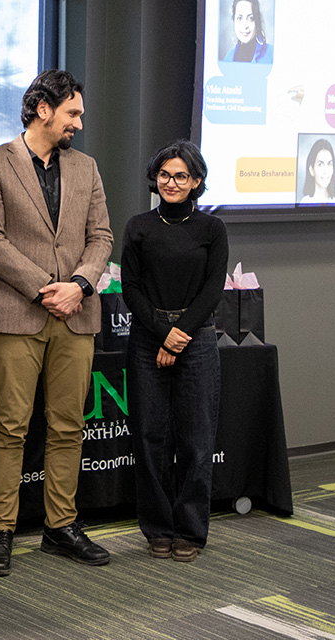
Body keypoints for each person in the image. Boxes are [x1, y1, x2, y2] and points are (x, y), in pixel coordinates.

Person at [0, 70, 113, 577]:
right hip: (17, 314)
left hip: (77, 312)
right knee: (10, 426)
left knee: (68, 426)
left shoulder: (87, 168)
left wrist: (80, 284)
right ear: (42, 109)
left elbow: (101, 237)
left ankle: (61, 527)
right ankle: (0, 531)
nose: (79, 123)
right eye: (72, 113)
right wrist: (45, 287)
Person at [121, 140, 228, 563]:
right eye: (164, 174)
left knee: (196, 441)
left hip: (197, 337)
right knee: (150, 439)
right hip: (148, 337)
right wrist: (164, 334)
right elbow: (130, 288)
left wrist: (179, 334)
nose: (171, 182)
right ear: (155, 178)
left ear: (196, 181)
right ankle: (158, 528)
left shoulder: (212, 229)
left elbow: (213, 289)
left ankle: (190, 531)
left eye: (181, 176)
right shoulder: (138, 227)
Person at [299, 139, 335, 204]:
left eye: (329, 164)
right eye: (320, 164)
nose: (326, 171)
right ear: (311, 170)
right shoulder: (305, 202)